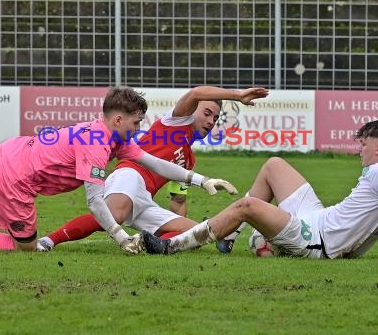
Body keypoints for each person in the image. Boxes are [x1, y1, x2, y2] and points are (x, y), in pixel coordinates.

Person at [0, 86, 238, 253]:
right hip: (16, 176)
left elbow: (152, 161)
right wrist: (121, 237)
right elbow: (95, 202)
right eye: (136, 121)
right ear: (118, 119)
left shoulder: (111, 136)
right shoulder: (97, 145)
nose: (140, 127)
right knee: (26, 248)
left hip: (7, 152)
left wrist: (201, 180)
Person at [142, 118, 378, 261]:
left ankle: (172, 245)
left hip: (317, 238)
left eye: (363, 145)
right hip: (318, 216)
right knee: (274, 164)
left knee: (247, 207)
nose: (360, 151)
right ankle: (228, 236)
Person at [36, 86, 269, 251]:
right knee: (114, 213)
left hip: (145, 200)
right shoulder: (176, 122)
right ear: (192, 111)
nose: (210, 121)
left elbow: (178, 202)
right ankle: (48, 241)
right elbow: (197, 93)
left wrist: (182, 236)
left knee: (195, 234)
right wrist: (237, 95)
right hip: (129, 175)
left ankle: (145, 244)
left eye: (215, 118)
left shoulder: (189, 159)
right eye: (207, 113)